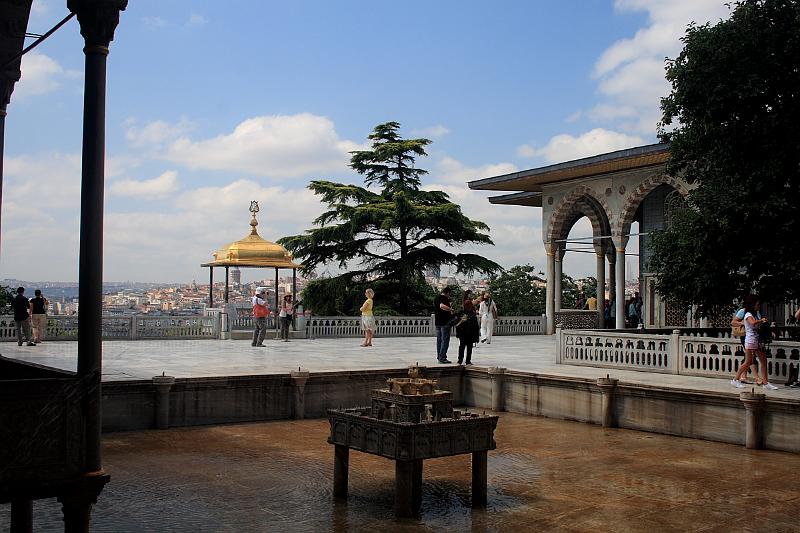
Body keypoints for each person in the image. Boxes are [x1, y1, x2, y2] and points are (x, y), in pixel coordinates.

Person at [732, 295, 778, 390]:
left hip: (757, 340)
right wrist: (761, 320)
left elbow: (758, 325)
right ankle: (735, 379)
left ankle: (765, 382)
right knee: (748, 362)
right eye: (757, 304)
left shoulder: (756, 313)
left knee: (763, 361)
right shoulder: (748, 314)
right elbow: (752, 323)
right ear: (752, 305)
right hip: (751, 340)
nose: (759, 306)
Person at [455, 300, 480, 365]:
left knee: (463, 346)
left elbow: (457, 324)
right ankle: (466, 360)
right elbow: (476, 326)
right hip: (468, 333)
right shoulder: (471, 313)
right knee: (468, 347)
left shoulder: (462, 313)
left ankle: (461, 360)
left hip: (464, 333)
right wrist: (476, 337)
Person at [433, 287, 454, 364]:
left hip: (438, 322)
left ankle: (439, 356)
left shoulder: (436, 298)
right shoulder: (443, 298)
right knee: (445, 340)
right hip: (445, 322)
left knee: (439, 340)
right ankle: (442, 358)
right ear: (447, 293)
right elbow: (441, 306)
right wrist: (450, 309)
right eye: (449, 294)